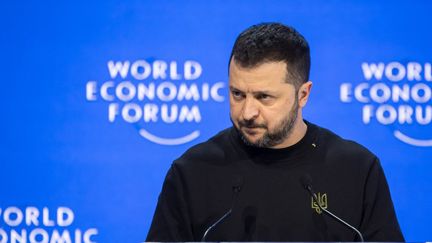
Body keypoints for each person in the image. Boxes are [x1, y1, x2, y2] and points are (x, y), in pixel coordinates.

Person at [146, 23, 404, 242]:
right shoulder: (192, 171)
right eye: (237, 94)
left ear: (303, 95)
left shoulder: (356, 169)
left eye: (263, 97)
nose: (247, 112)